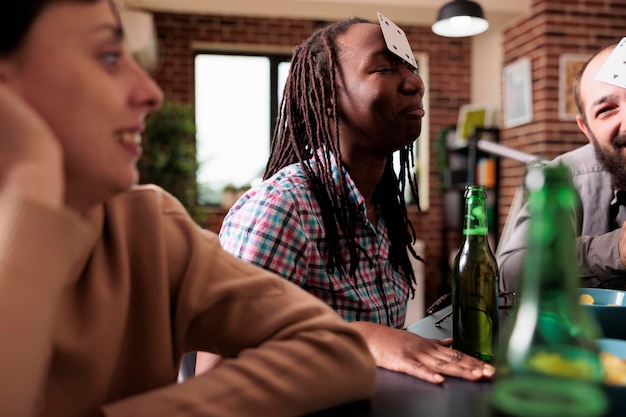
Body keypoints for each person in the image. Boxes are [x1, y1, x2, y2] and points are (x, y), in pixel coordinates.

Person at [0, 1, 378, 416]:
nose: (151, 93)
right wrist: (32, 188)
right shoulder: (279, 202)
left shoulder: (145, 227)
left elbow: (337, 352)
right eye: (108, 56)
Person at [196, 16, 495, 384]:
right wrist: (361, 338)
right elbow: (217, 381)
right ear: (326, 97)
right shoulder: (280, 208)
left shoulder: (382, 208)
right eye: (384, 68)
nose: (416, 83)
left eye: (412, 69)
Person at [498, 41, 626, 293]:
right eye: (607, 109)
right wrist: (616, 250)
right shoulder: (569, 176)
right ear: (586, 129)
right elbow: (510, 274)